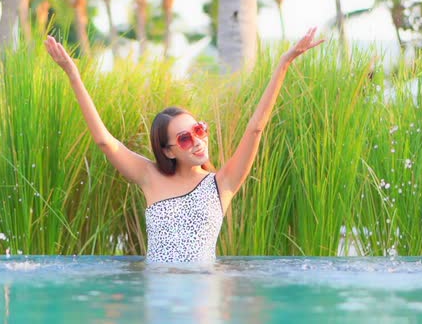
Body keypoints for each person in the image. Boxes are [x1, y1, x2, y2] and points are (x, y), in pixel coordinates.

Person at [44, 28, 324, 263]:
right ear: (168, 150)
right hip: (161, 298)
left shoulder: (221, 184)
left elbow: (256, 128)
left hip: (202, 297)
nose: (197, 141)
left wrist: (284, 64)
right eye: (184, 138)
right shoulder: (150, 177)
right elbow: (104, 141)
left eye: (198, 130)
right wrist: (72, 73)